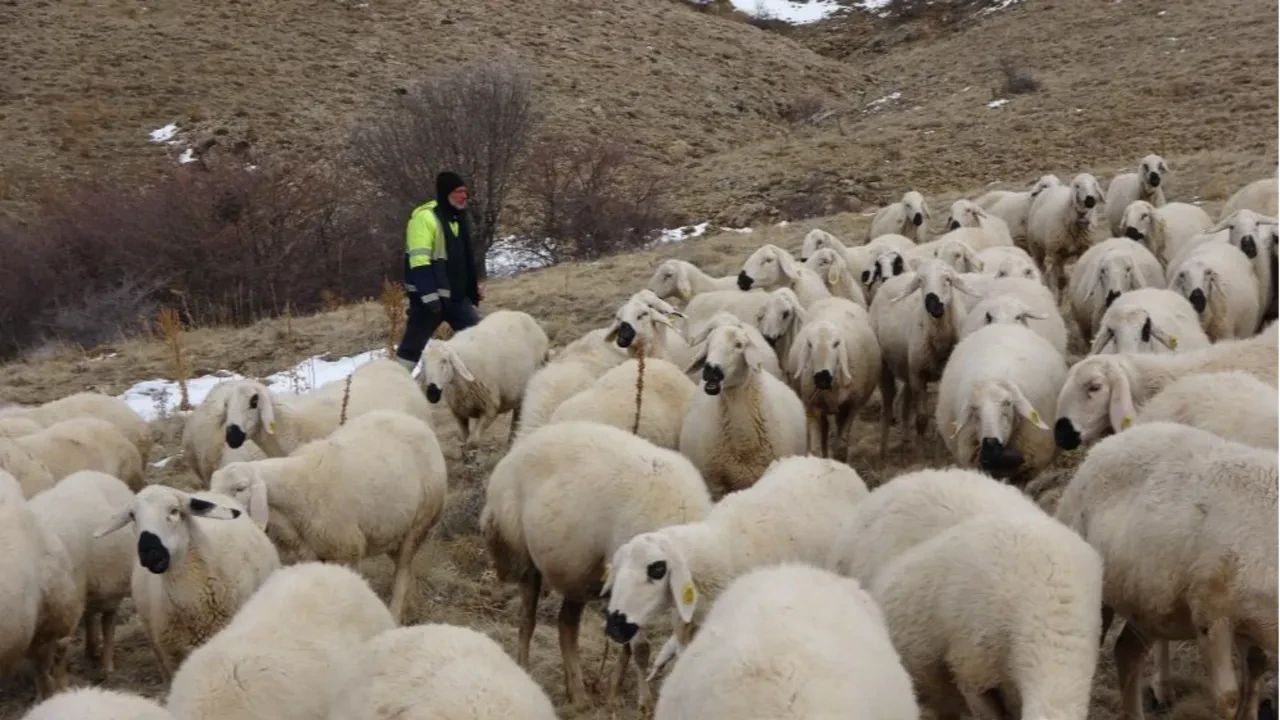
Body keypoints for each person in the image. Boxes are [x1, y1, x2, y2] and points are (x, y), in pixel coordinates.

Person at [394, 170, 484, 372]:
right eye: (459, 191)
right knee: (410, 350)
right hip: (429, 303)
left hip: (457, 299)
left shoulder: (458, 218)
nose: (464, 196)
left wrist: (472, 288)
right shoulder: (424, 219)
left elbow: (463, 259)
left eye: (464, 192)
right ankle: (394, 386)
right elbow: (419, 261)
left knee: (482, 342)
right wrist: (429, 296)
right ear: (446, 193)